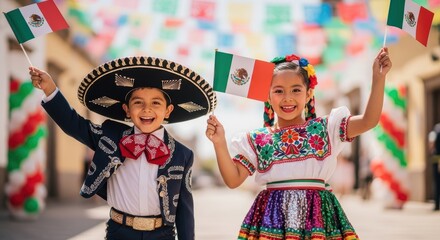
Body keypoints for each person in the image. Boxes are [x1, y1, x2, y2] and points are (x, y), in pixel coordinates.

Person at [205, 47, 391, 239]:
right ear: (267, 97)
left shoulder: (326, 128)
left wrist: (378, 79)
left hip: (318, 219)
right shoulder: (258, 139)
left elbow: (369, 120)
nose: (288, 98)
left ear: (309, 93)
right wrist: (219, 143)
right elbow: (233, 180)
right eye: (278, 91)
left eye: (296, 90)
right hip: (273, 222)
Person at [29, 56, 216, 240]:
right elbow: (74, 124)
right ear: (126, 109)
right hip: (119, 232)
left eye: (156, 103)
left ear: (168, 111)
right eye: (138, 103)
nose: (146, 109)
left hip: (162, 235)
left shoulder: (183, 154)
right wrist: (50, 89)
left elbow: (184, 210)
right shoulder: (110, 135)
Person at [429, 123, 440, 211]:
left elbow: (431, 145)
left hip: (436, 159)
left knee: (437, 183)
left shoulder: (436, 129)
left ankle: (437, 204)